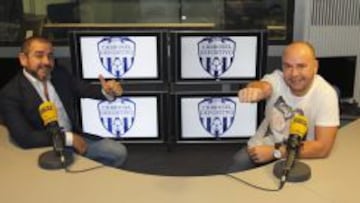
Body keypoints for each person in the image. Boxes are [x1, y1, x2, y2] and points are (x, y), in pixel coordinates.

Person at [0, 36, 127, 168]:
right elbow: (25, 138)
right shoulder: (10, 94)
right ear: (23, 59)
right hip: (44, 148)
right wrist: (68, 138)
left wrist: (107, 91)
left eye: (50, 56)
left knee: (119, 153)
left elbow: (84, 89)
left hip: (75, 136)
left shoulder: (60, 74)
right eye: (39, 56)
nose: (46, 61)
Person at [228, 41, 340, 172]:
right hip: (264, 146)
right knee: (236, 167)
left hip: (301, 153)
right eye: (288, 66)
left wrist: (276, 152)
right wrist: (254, 91)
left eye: (301, 66)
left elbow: (322, 148)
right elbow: (263, 86)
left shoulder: (326, 94)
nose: (294, 74)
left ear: (315, 66)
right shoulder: (277, 79)